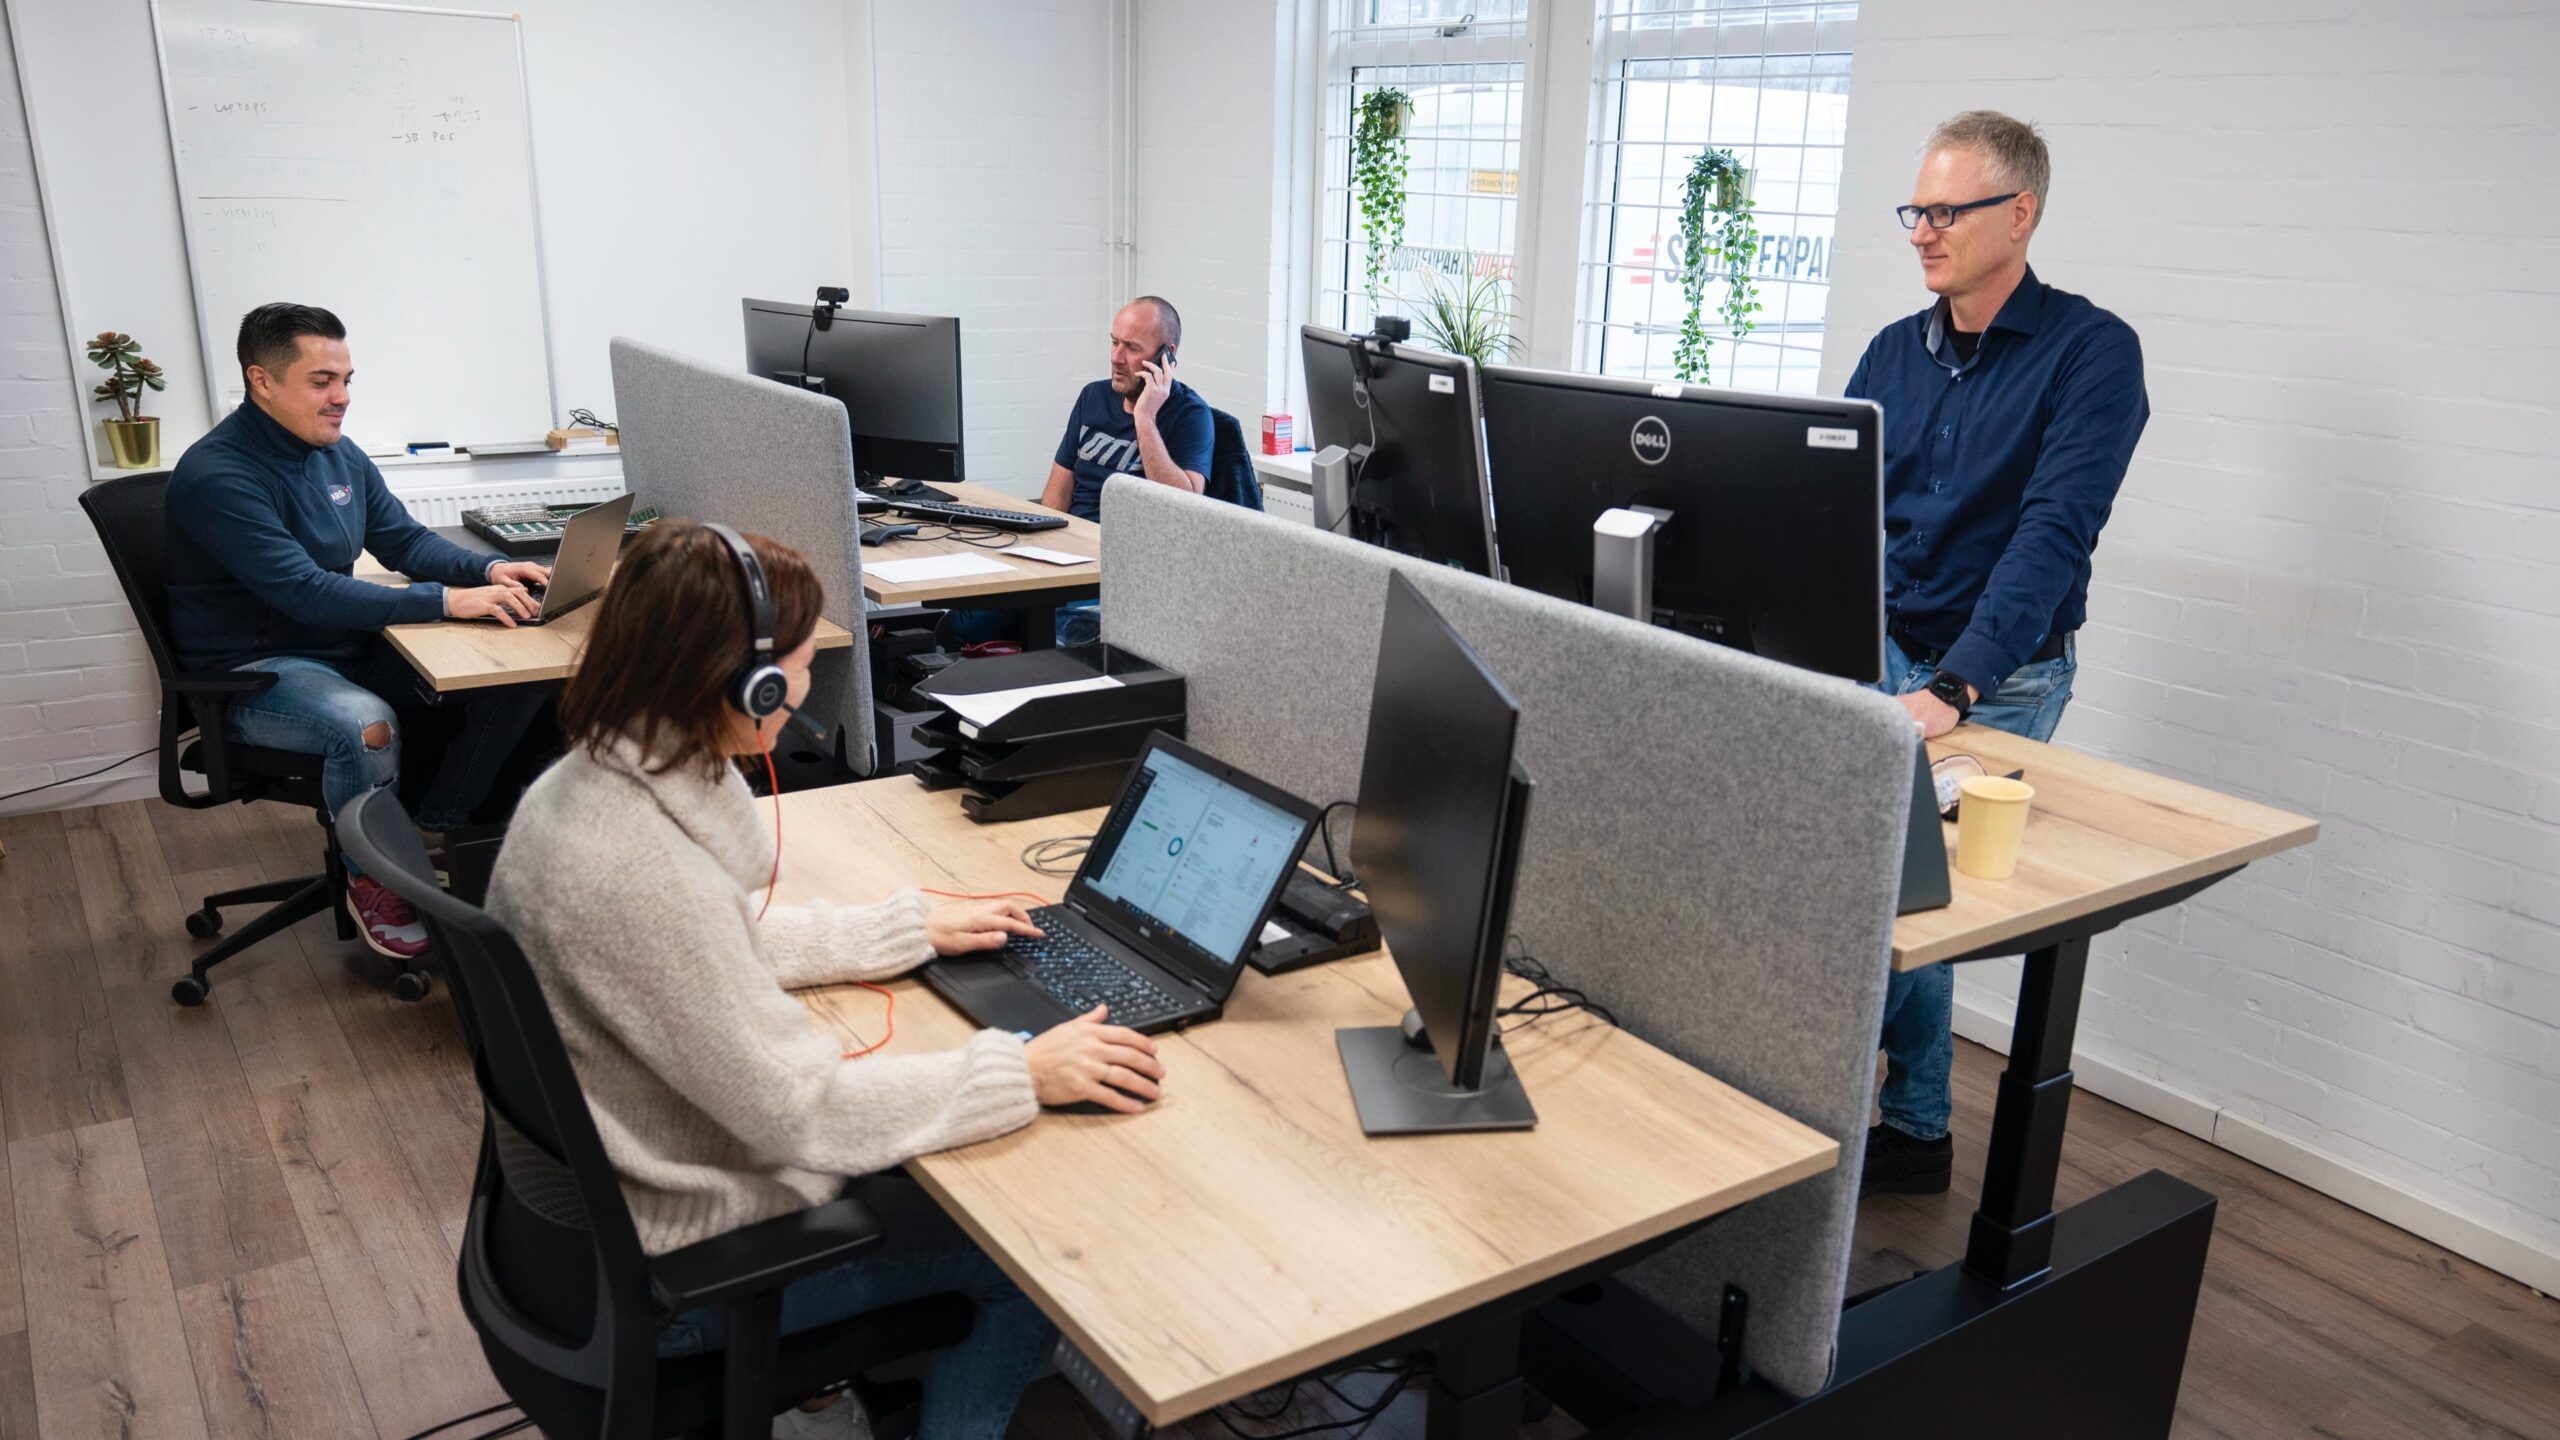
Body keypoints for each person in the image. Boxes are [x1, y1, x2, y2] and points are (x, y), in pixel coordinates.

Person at [486, 520, 1165, 1440]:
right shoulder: (639, 870)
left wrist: (897, 929)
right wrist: (1019, 1071)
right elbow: (798, 1112)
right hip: (685, 1264)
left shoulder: (586, 791)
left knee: (940, 1166)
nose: (802, 686)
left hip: (596, 1234)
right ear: (746, 685)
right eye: (799, 665)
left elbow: (696, 958)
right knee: (1027, 1263)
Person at [1843, 111, 2150, 1196]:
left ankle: (1819, 1112)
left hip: (2000, 673)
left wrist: (1954, 686)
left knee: (1909, 893)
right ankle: (1917, 1127)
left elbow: (2052, 533)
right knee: (1883, 878)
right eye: (1913, 210)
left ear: (2017, 215)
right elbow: (1834, 501)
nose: (1920, 232)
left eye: (1943, 211)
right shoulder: (1894, 348)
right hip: (1886, 645)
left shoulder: (2090, 353)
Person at [165, 302, 553, 961]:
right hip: (259, 671)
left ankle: (431, 833)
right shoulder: (218, 476)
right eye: (321, 381)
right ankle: (376, 879)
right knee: (363, 725)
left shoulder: (337, 455)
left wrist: (490, 566)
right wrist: (450, 602)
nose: (341, 397)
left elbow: (402, 540)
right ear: (262, 381)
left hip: (342, 646)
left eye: (346, 379)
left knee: (514, 674)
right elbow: (305, 593)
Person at [950, 296, 1213, 649]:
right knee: (956, 628)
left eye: (1132, 347)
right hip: (1066, 560)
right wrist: (1036, 558)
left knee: (1059, 639)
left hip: (1123, 575)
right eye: (1114, 342)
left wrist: (1145, 418)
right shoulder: (1092, 397)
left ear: (1167, 355)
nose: (1116, 357)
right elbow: (1057, 495)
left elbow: (1186, 503)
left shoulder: (1191, 414)